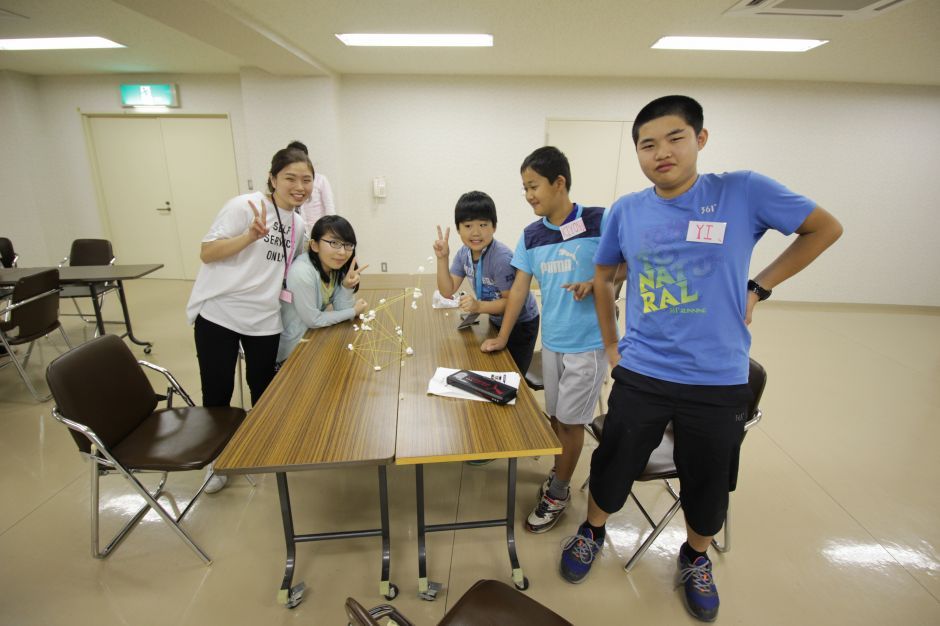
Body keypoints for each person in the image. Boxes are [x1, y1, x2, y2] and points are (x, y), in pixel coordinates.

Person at [566, 95, 843, 622]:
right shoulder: (627, 209)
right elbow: (604, 276)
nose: (661, 152)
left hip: (718, 377)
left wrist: (759, 286)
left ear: (701, 139)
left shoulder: (741, 191)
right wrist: (610, 345)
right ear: (638, 155)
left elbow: (824, 228)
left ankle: (694, 556)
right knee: (614, 462)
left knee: (709, 478)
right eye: (647, 144)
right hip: (643, 369)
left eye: (674, 138)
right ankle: (592, 530)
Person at [481, 146, 613, 533]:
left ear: (560, 183)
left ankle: (558, 490)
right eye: (524, 188)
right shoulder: (532, 235)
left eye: (533, 186)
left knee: (571, 424)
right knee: (557, 418)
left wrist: (597, 282)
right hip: (553, 341)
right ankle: (561, 471)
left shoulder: (599, 220)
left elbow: (626, 266)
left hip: (588, 344)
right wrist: (503, 337)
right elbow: (520, 290)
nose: (529, 196)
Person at [186, 144, 312, 493]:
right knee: (218, 390)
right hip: (220, 314)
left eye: (306, 179)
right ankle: (216, 461)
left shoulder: (299, 224)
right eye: (290, 178)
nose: (299, 186)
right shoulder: (244, 206)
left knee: (264, 389)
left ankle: (262, 447)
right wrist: (249, 236)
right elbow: (207, 252)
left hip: (265, 318)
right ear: (273, 179)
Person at [433, 190, 540, 376]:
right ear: (458, 229)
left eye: (483, 225)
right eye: (467, 226)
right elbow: (447, 291)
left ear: (494, 227)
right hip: (496, 317)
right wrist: (443, 258)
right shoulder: (463, 254)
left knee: (513, 377)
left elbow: (511, 303)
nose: (475, 232)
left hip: (521, 323)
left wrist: (478, 306)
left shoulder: (501, 258)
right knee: (494, 368)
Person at [277, 215, 369, 364]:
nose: (342, 252)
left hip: (316, 340)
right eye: (334, 243)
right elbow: (314, 320)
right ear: (314, 245)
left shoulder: (333, 267)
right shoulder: (302, 272)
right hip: (293, 353)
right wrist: (354, 311)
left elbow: (341, 309)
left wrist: (346, 287)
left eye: (348, 245)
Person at [288, 140, 336, 236]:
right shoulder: (287, 183)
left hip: (319, 231)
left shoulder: (321, 180)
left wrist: (331, 232)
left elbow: (329, 207)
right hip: (297, 233)